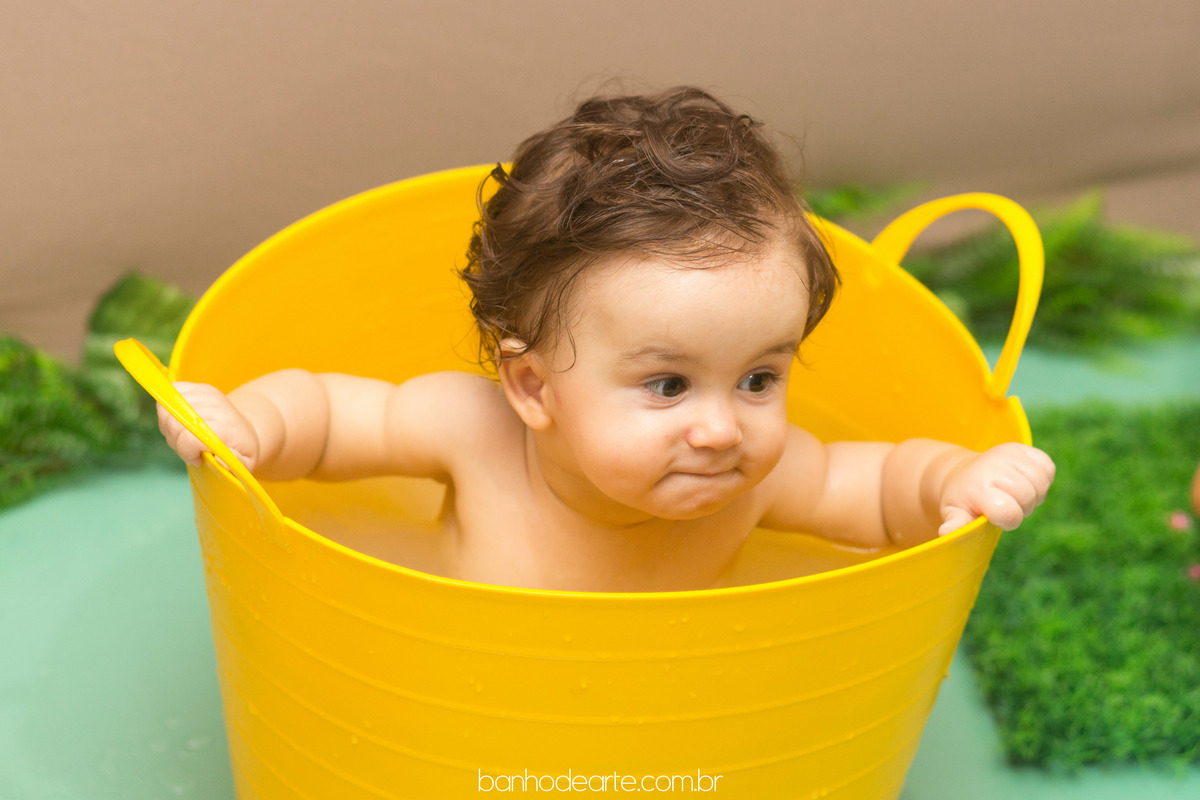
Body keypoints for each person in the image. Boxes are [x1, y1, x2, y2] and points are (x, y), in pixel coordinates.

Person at [159, 86, 1055, 592]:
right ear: (535, 389)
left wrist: (962, 479)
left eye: (759, 378)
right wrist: (241, 426)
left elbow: (892, 488)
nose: (722, 429)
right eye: (668, 385)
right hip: (459, 679)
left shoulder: (762, 478)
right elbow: (322, 415)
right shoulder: (470, 432)